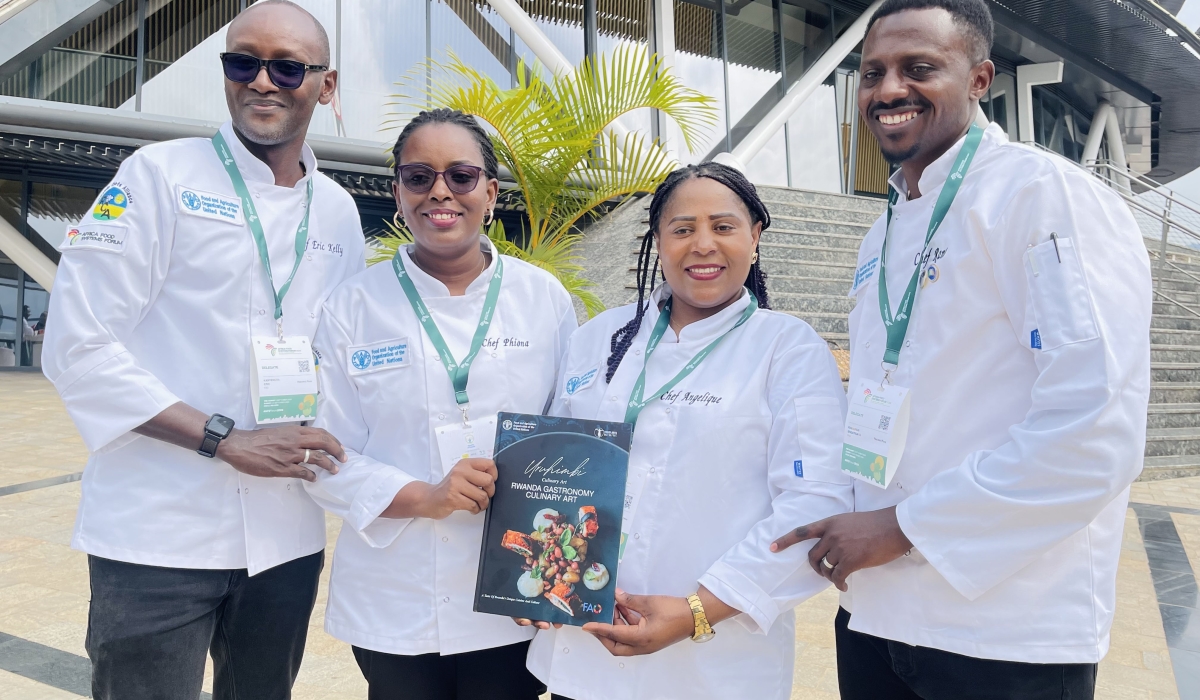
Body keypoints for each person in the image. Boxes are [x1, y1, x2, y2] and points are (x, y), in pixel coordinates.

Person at [770, 1, 1152, 698]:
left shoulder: (1044, 198)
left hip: (1005, 630)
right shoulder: (882, 230)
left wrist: (903, 526)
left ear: (979, 80)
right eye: (873, 72)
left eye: (919, 68)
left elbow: (1097, 427)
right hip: (876, 614)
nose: (888, 90)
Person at [41, 2, 366, 698]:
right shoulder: (156, 177)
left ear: (326, 85)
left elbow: (345, 360)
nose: (262, 82)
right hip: (158, 533)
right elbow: (77, 346)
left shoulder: (338, 210)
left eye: (287, 67)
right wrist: (225, 439)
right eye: (242, 62)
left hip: (286, 533)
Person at [524, 162, 853, 700]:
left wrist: (699, 611)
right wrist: (536, 576)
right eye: (682, 229)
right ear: (658, 240)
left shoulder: (788, 349)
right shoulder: (598, 338)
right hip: (582, 653)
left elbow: (815, 503)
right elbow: (555, 475)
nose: (703, 245)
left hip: (714, 666)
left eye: (723, 227)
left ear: (755, 237)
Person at [304, 108, 576, 700]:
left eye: (462, 175)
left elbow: (570, 439)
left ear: (491, 192)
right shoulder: (351, 307)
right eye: (419, 177)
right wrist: (425, 497)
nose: (440, 193)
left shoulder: (543, 299)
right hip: (395, 594)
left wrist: (564, 571)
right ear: (398, 194)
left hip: (516, 594)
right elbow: (322, 453)